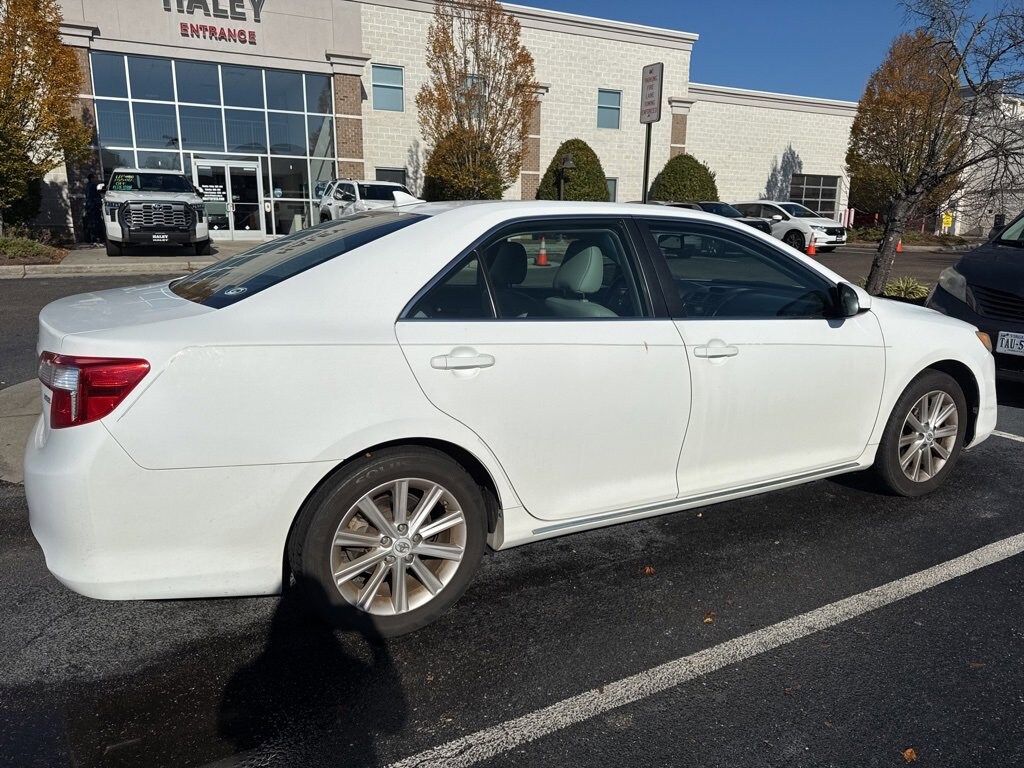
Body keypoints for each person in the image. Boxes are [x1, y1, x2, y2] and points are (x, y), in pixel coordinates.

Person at [83, 173, 103, 245]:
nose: (96, 179)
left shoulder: (87, 186)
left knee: (91, 223)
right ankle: (95, 239)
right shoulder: (93, 186)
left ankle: (92, 239)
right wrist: (99, 203)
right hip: (93, 207)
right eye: (95, 178)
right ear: (92, 178)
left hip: (89, 206)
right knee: (95, 223)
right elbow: (95, 197)